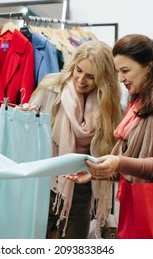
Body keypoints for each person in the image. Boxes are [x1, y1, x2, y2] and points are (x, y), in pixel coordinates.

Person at [68, 34, 153, 235]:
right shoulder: (142, 103)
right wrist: (97, 173)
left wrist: (118, 162)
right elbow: (134, 165)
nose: (120, 78)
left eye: (125, 71)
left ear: (149, 66)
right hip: (137, 202)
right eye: (118, 71)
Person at [22, 40, 123, 239]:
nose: (81, 79)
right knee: (37, 237)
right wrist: (26, 113)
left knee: (74, 240)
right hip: (48, 179)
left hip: (83, 184)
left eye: (91, 76)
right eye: (79, 70)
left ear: (103, 79)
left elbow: (114, 147)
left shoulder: (109, 103)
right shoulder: (52, 87)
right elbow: (29, 130)